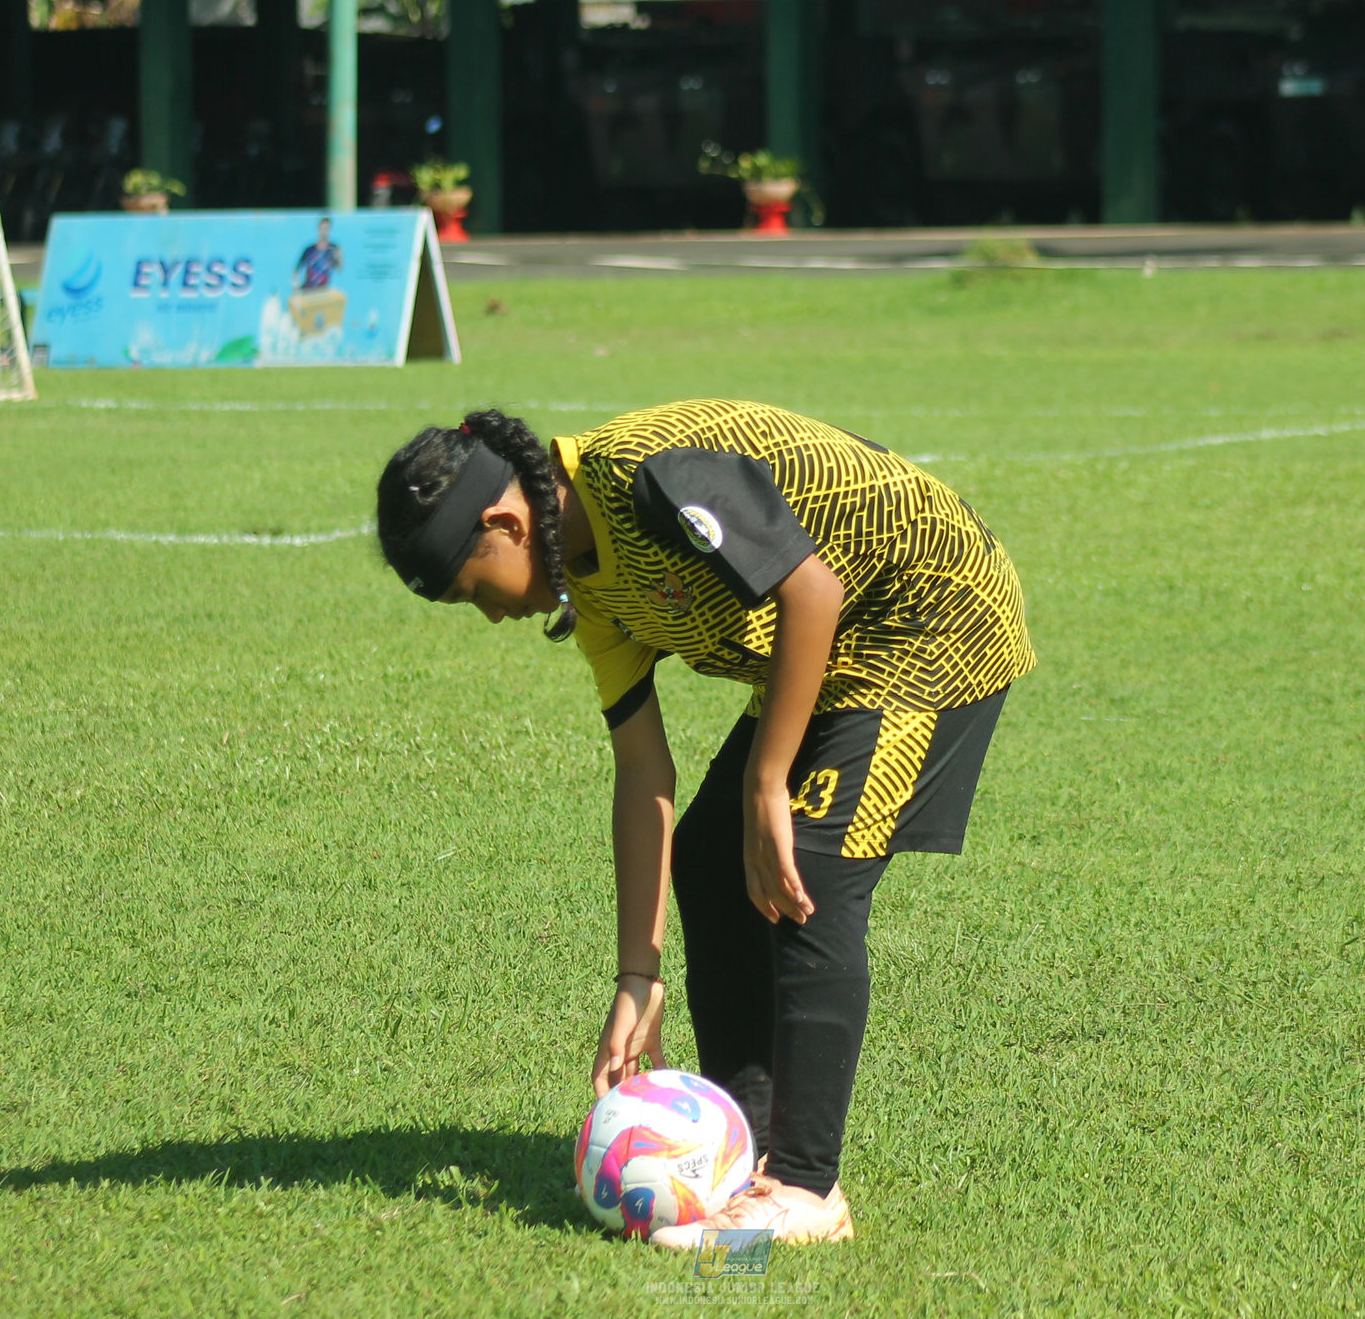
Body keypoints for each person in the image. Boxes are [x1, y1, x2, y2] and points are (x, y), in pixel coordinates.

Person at [376, 400, 1035, 1248]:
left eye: (474, 592)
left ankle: (804, 1190)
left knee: (811, 866)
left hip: (927, 609)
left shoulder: (647, 481)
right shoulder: (588, 580)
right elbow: (644, 770)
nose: (490, 615)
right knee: (711, 852)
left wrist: (770, 783)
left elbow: (811, 587)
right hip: (836, 635)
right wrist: (637, 974)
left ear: (505, 522)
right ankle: (740, 1151)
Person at [293, 217, 342, 290]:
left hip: (323, 290)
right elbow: (297, 270)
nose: (324, 232)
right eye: (322, 228)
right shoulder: (309, 250)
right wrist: (295, 286)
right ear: (318, 229)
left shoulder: (333, 249)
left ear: (329, 230)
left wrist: (338, 257)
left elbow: (339, 269)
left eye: (326, 229)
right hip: (308, 289)